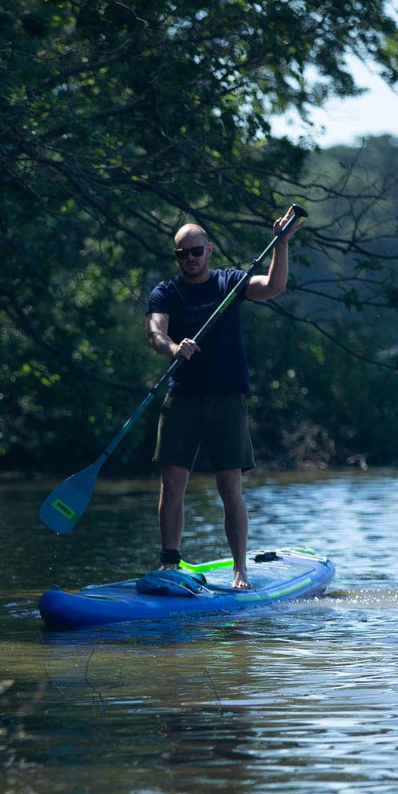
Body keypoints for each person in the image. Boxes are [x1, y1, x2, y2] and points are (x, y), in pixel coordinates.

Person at [145, 206, 302, 588]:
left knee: (229, 488)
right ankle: (170, 562)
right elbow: (154, 332)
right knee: (172, 484)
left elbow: (274, 287)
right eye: (182, 254)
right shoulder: (166, 291)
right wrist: (171, 348)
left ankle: (239, 570)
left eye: (196, 251)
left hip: (226, 400)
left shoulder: (230, 283)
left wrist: (281, 244)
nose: (190, 259)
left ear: (209, 250)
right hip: (182, 398)